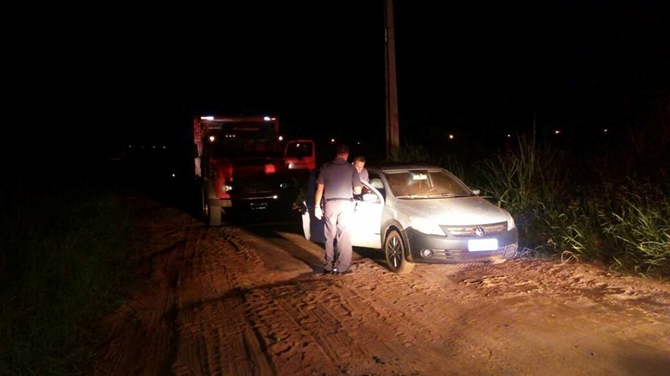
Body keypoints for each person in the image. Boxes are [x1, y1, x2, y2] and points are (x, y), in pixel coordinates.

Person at [314, 144, 362, 275]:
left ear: (336, 153)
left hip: (329, 203)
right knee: (344, 235)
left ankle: (328, 266)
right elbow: (357, 190)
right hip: (346, 204)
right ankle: (342, 268)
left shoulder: (325, 167)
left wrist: (317, 206)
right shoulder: (351, 168)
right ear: (346, 154)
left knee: (329, 236)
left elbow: (319, 189)